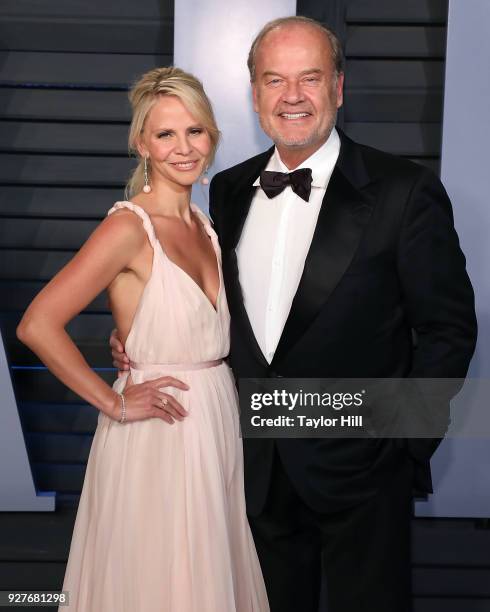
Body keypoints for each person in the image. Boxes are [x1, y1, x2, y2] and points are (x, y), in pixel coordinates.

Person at [111, 16, 477, 612]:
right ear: (254, 93)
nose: (292, 96)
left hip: (364, 468)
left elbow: (448, 328)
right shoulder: (225, 191)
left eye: (310, 78)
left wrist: (402, 445)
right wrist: (135, 329)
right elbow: (212, 307)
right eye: (274, 80)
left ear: (338, 87)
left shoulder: (402, 191)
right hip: (251, 462)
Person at [17, 67, 269, 612]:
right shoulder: (128, 227)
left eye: (195, 131)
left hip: (214, 425)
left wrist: (141, 334)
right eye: (165, 134)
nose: (184, 148)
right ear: (142, 144)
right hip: (159, 431)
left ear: (213, 136)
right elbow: (37, 324)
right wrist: (114, 400)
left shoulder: (205, 224)